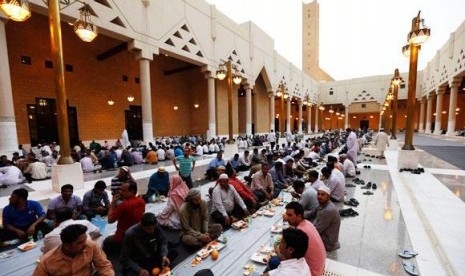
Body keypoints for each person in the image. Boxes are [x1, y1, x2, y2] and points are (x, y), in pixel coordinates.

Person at [34, 224, 114, 276]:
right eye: (80, 242)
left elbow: (104, 266)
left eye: (85, 240)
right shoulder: (47, 261)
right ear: (67, 246)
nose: (85, 243)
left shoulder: (91, 246)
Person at [284, 202, 326, 276]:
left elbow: (291, 258)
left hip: (312, 272)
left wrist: (278, 251)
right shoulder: (307, 222)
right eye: (286, 215)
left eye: (290, 215)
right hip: (320, 267)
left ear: (299, 216)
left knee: (275, 261)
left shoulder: (300, 232)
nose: (286, 218)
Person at [104, 180, 145, 252]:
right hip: (137, 233)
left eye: (123, 191)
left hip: (123, 237)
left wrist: (113, 203)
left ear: (132, 191)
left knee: (106, 241)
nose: (121, 192)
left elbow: (110, 220)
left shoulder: (123, 205)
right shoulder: (141, 201)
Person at [313, 186, 341, 252]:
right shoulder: (322, 204)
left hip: (328, 243)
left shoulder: (329, 210)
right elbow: (310, 213)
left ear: (328, 197)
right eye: (318, 194)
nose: (319, 197)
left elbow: (317, 230)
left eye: (323, 195)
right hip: (323, 232)